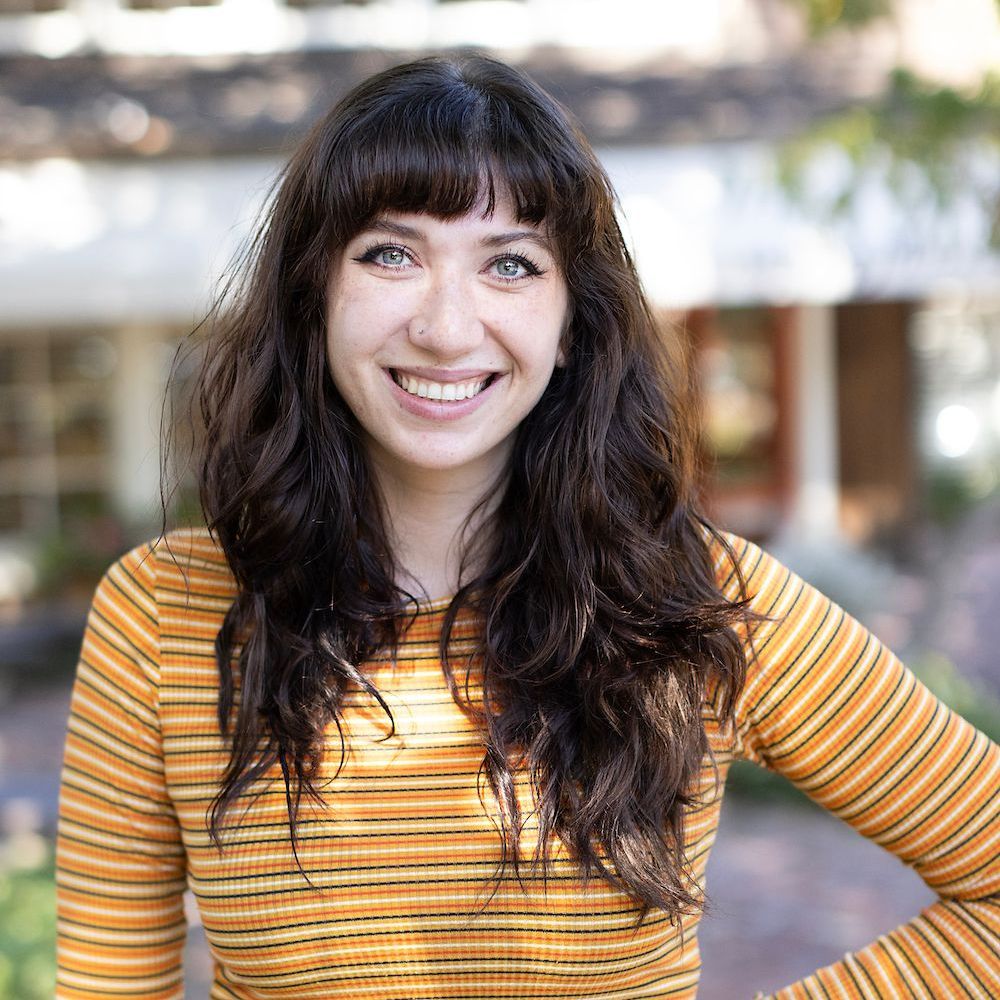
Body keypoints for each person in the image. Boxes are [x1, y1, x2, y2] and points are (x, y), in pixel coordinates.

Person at [56, 55, 999, 999]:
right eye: (391, 253)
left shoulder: (698, 602)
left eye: (510, 264)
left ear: (572, 323)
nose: (447, 328)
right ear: (314, 295)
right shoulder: (163, 612)